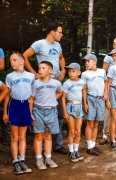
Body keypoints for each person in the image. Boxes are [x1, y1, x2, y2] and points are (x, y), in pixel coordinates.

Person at [23, 22, 67, 154]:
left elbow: (61, 58)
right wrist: (34, 73)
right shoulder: (39, 44)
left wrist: (63, 70)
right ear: (52, 32)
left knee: (58, 114)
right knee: (41, 112)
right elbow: (24, 56)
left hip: (56, 82)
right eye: (59, 32)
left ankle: (57, 145)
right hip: (43, 83)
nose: (61, 34)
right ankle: (41, 147)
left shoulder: (58, 45)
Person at [3, 52, 34, 175]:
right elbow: (7, 95)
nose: (12, 62)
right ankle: (15, 161)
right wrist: (5, 112)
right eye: (11, 60)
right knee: (14, 137)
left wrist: (30, 112)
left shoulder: (31, 76)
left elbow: (31, 97)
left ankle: (22, 160)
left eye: (14, 60)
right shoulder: (10, 76)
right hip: (14, 106)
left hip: (25, 106)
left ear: (22, 61)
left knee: (23, 136)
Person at [29, 61, 63, 170]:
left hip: (51, 112)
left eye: (43, 68)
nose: (40, 70)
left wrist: (53, 99)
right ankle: (39, 159)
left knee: (48, 136)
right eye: (39, 68)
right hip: (38, 111)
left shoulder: (56, 83)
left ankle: (48, 158)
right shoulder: (35, 83)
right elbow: (31, 99)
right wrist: (30, 113)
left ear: (50, 71)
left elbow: (60, 92)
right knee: (39, 136)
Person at [82, 54, 108, 155]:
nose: (86, 63)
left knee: (97, 123)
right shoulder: (85, 74)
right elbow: (84, 89)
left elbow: (106, 82)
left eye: (88, 61)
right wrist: (85, 103)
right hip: (90, 99)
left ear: (94, 61)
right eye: (85, 61)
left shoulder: (102, 71)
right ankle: (89, 147)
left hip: (100, 99)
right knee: (90, 123)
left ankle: (93, 145)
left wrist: (105, 93)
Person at [61, 63, 84, 162]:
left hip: (79, 107)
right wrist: (65, 112)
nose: (71, 73)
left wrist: (85, 104)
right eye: (69, 71)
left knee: (78, 131)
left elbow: (83, 92)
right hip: (70, 107)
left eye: (73, 71)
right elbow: (63, 98)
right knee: (72, 131)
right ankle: (70, 152)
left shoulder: (82, 82)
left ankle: (76, 151)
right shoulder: (67, 83)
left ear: (79, 72)